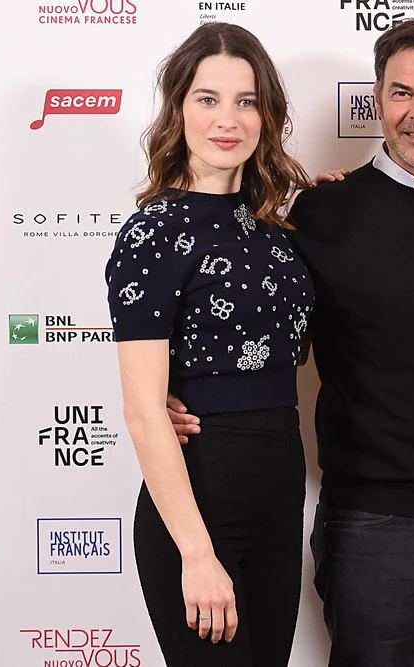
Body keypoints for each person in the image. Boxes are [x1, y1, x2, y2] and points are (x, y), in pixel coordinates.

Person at [168, 15, 414, 667]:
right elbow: (254, 336)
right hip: (375, 526)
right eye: (402, 92)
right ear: (377, 97)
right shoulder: (321, 213)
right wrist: (181, 399)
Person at [105, 22, 313, 667]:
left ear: (267, 115)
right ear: (179, 110)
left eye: (246, 101)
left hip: (280, 501)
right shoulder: (153, 232)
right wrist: (196, 554)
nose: (228, 119)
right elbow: (144, 410)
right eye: (207, 98)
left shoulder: (280, 235)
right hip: (198, 506)